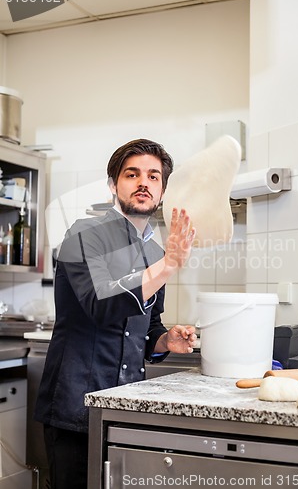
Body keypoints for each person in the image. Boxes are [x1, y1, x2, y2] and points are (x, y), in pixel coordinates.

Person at [34, 138, 197, 489]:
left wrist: (166, 339)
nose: (144, 182)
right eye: (132, 174)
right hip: (76, 407)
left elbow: (148, 327)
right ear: (113, 184)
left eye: (154, 177)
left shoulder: (154, 251)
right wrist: (168, 266)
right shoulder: (83, 235)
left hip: (124, 405)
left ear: (163, 191)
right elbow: (101, 303)